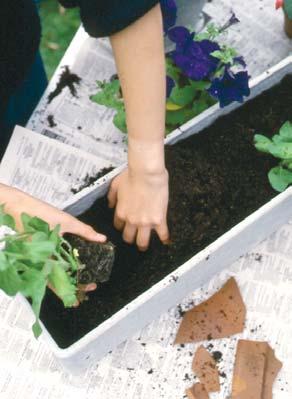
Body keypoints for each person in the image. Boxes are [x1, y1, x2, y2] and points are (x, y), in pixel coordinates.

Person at [0, 0, 169, 253]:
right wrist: (10, 204)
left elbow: (123, 6)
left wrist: (148, 168)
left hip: (11, 53)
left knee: (27, 132)